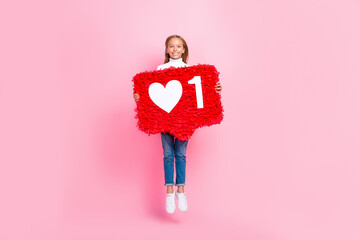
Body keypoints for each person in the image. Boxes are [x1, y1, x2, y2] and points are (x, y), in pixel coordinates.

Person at [133, 34, 222, 214]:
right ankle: (169, 191)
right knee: (168, 154)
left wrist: (214, 88)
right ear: (166, 50)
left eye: (178, 46)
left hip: (184, 121)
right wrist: (139, 97)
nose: (175, 49)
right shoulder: (160, 69)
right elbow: (151, 94)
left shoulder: (189, 70)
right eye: (171, 46)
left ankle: (181, 190)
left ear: (183, 49)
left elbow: (201, 90)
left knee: (180, 154)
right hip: (164, 120)